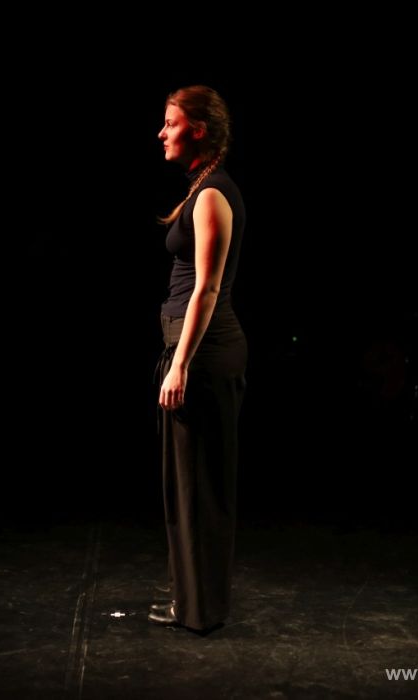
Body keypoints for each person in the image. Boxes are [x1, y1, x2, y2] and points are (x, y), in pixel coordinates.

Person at [148, 86, 247, 633]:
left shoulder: (211, 195)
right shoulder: (201, 188)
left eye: (171, 122)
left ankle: (201, 610)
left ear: (199, 130)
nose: (162, 132)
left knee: (198, 487)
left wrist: (180, 364)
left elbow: (207, 289)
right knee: (186, 486)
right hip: (192, 349)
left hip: (203, 355)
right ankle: (191, 601)